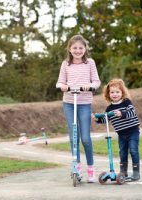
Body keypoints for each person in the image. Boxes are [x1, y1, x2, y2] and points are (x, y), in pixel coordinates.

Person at [56, 35, 101, 182]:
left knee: (86, 138)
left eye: (80, 48)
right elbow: (60, 82)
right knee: (73, 137)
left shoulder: (90, 63)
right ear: (69, 49)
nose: (77, 50)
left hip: (84, 103)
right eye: (74, 48)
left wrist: (91, 86)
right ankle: (77, 168)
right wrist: (62, 86)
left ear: (85, 49)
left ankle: (91, 169)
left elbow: (96, 81)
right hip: (69, 102)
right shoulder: (65, 64)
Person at [92, 79, 140, 181]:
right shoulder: (109, 109)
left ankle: (136, 172)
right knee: (122, 153)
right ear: (108, 94)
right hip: (121, 134)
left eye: (117, 92)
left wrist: (122, 114)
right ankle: (124, 172)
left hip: (133, 131)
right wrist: (98, 119)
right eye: (112, 92)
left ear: (122, 92)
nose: (115, 94)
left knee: (133, 150)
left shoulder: (127, 102)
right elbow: (106, 119)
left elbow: (132, 113)